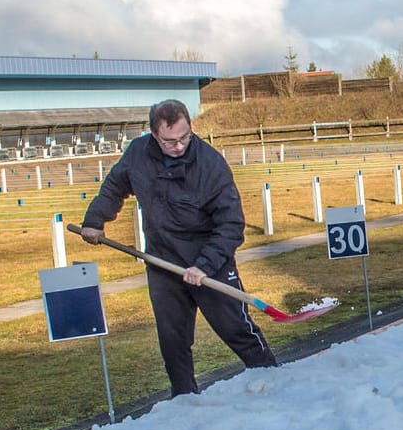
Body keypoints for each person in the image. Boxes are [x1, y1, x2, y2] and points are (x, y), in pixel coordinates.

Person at [78, 99, 277, 393]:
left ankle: (275, 382)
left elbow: (231, 224)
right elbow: (114, 187)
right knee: (173, 342)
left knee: (236, 329)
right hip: (163, 263)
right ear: (154, 135)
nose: (179, 146)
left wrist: (204, 265)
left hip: (209, 264)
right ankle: (184, 402)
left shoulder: (210, 164)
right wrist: (95, 220)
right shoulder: (138, 154)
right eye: (170, 141)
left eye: (185, 137)